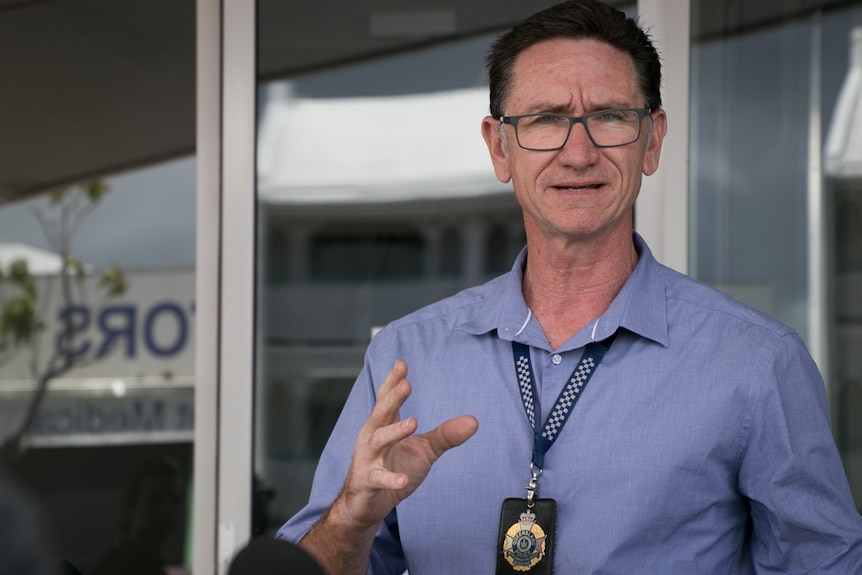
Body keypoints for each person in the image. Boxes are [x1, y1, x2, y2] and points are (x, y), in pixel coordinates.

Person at [277, 1, 862, 573]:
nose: (577, 153)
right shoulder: (407, 360)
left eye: (609, 116)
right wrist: (351, 521)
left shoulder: (756, 363)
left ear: (652, 139)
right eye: (545, 119)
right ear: (498, 145)